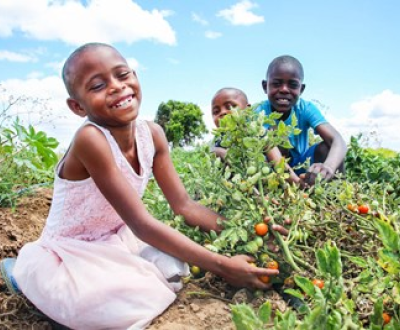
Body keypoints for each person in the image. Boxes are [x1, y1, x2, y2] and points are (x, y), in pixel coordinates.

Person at [6, 43, 285, 330]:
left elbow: (185, 205)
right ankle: (28, 278)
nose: (117, 87)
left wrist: (255, 232)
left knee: (173, 269)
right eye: (98, 85)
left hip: (116, 237)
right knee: (128, 299)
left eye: (122, 75)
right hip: (69, 250)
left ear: (135, 77)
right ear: (77, 106)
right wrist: (224, 266)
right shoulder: (91, 140)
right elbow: (142, 223)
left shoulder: (152, 134)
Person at [256, 55, 347, 187]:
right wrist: (296, 182)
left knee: (326, 148)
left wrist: (328, 168)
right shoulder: (259, 112)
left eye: (292, 85)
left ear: (301, 89)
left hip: (302, 166)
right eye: (277, 83)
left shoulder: (305, 108)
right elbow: (268, 148)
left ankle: (335, 194)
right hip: (273, 169)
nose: (284, 89)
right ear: (265, 86)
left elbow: (338, 141)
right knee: (270, 138)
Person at [211, 87, 250, 159]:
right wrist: (217, 152)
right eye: (216, 111)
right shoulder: (219, 143)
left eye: (229, 107)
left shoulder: (258, 134)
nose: (222, 112)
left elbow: (277, 164)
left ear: (247, 109)